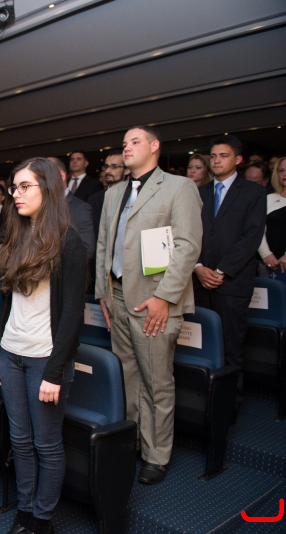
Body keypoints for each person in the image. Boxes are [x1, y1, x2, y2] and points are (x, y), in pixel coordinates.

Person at [0, 158, 87, 534]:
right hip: (11, 352)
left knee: (46, 444)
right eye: (14, 187)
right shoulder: (18, 236)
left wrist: (55, 372)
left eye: (25, 186)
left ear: (48, 188)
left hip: (46, 359)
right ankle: (25, 510)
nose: (16, 193)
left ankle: (43, 519)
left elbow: (72, 315)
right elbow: (9, 304)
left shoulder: (70, 243)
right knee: (20, 440)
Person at [95, 126, 202, 485]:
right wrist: (102, 293)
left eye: (135, 142)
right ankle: (135, 442)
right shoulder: (114, 192)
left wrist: (164, 298)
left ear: (155, 146)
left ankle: (157, 455)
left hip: (154, 300)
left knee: (156, 381)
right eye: (124, 144)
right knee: (127, 376)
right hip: (117, 296)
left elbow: (187, 246)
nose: (126, 148)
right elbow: (103, 245)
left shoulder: (178, 187)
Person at [194, 135, 266, 415]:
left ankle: (228, 409)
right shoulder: (198, 192)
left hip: (232, 283)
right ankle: (201, 404)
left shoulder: (253, 193)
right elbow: (189, 234)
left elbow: (251, 238)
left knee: (231, 347)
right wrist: (198, 267)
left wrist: (221, 271)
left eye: (223, 156)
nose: (216, 161)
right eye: (213, 156)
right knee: (200, 344)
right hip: (199, 281)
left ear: (238, 159)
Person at [48, 157, 94, 260]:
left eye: (45, 176)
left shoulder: (80, 208)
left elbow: (86, 250)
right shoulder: (38, 206)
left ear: (61, 176)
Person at [87, 149, 127, 241]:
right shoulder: (94, 199)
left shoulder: (133, 197)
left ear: (126, 170)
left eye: (114, 166)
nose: (108, 170)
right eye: (106, 166)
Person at [259, 156, 286, 281]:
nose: (284, 174)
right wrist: (266, 254)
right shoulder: (268, 199)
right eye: (281, 170)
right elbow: (258, 229)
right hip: (269, 264)